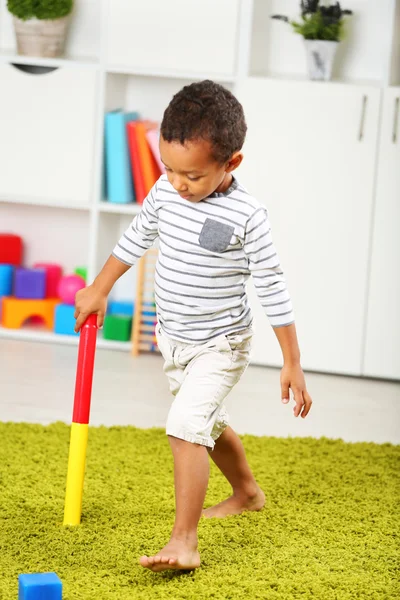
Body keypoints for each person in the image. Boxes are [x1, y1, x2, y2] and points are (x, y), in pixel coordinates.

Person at [74, 80, 313, 572]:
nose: (180, 184)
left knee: (185, 426)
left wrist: (292, 360)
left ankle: (184, 542)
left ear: (232, 163)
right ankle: (247, 492)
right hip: (173, 338)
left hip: (221, 344)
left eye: (194, 176)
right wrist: (99, 287)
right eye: (170, 169)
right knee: (206, 422)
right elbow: (136, 237)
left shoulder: (249, 215)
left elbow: (272, 286)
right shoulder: (165, 191)